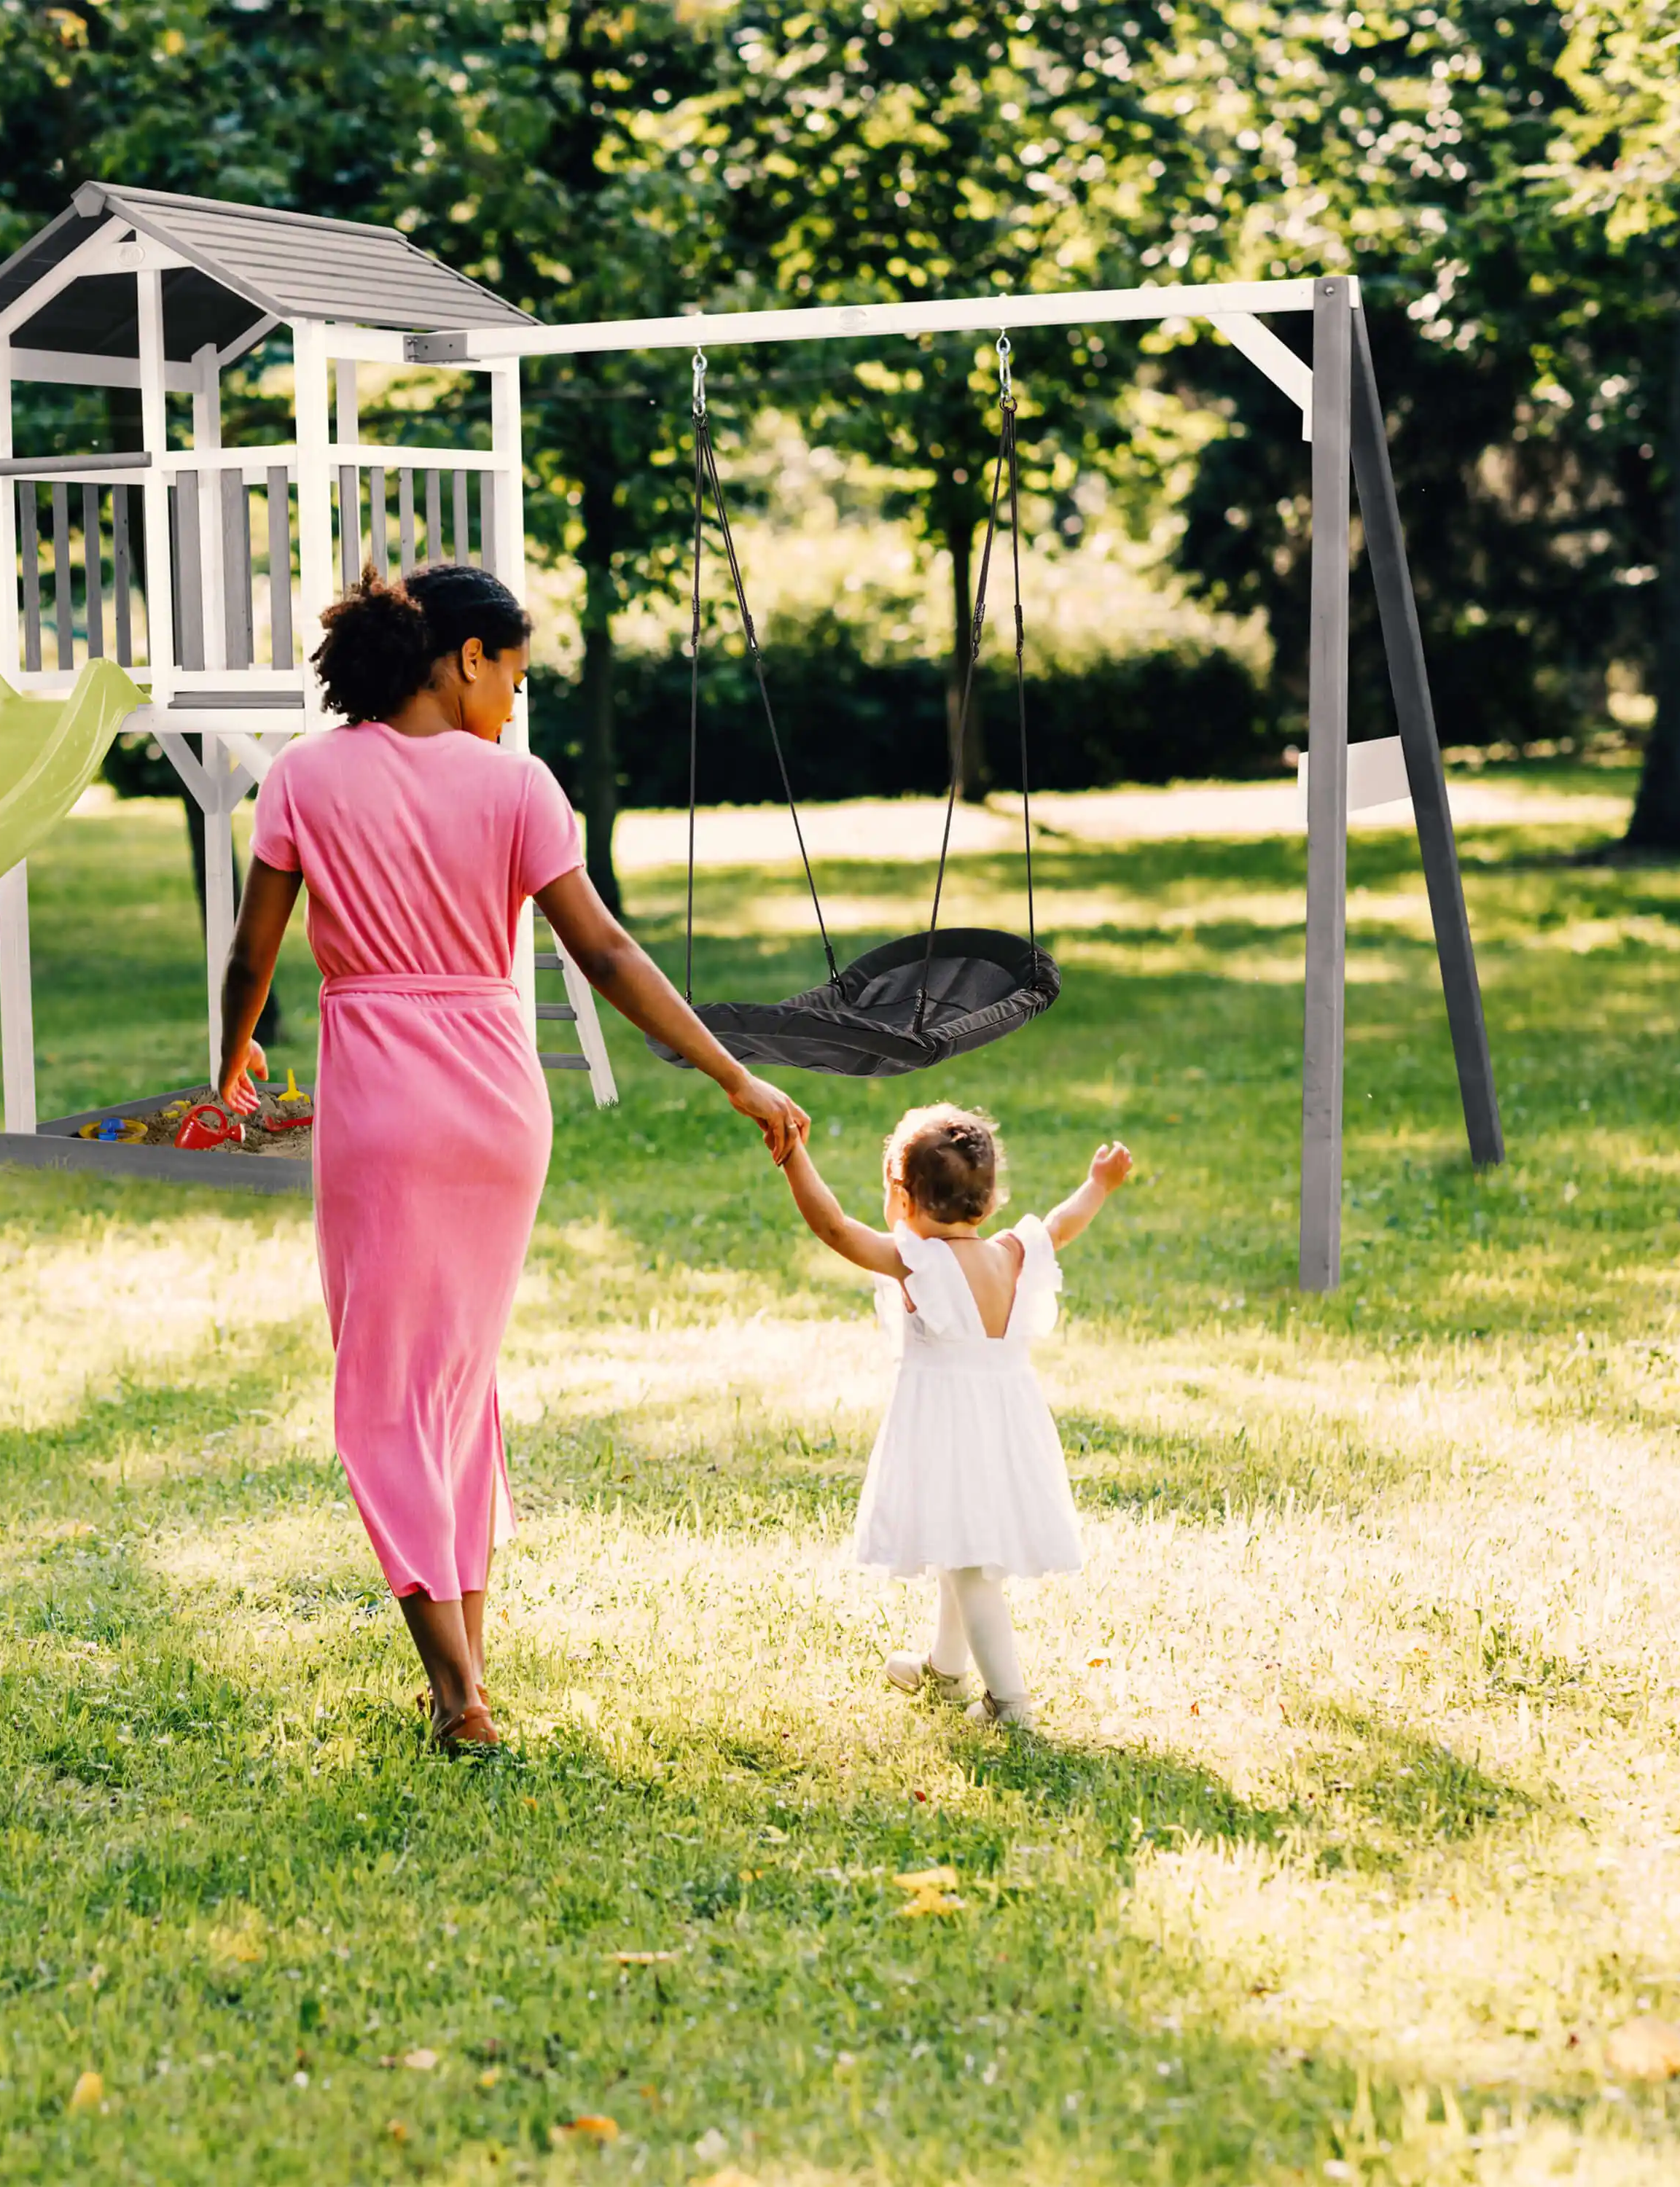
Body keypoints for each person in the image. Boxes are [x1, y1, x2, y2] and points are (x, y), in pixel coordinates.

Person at [215, 563, 810, 1753]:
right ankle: (467, 1675)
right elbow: (606, 954)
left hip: (382, 1104)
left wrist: (228, 1062)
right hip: (497, 1104)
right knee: (455, 1386)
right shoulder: (519, 788)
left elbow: (253, 954)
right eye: (515, 678)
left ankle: (455, 1694)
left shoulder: (304, 777)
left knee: (386, 1395)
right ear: (466, 657)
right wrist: (732, 1071)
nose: (515, 705)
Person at [775, 1104, 1134, 1728]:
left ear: (904, 1198)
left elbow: (833, 1228)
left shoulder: (918, 1263)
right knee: (957, 1543)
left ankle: (1009, 1702)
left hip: (948, 1429)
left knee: (969, 1566)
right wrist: (1098, 1185)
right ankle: (945, 1670)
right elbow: (1062, 1223)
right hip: (1005, 1425)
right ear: (989, 1201)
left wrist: (792, 1155)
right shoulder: (1013, 1253)